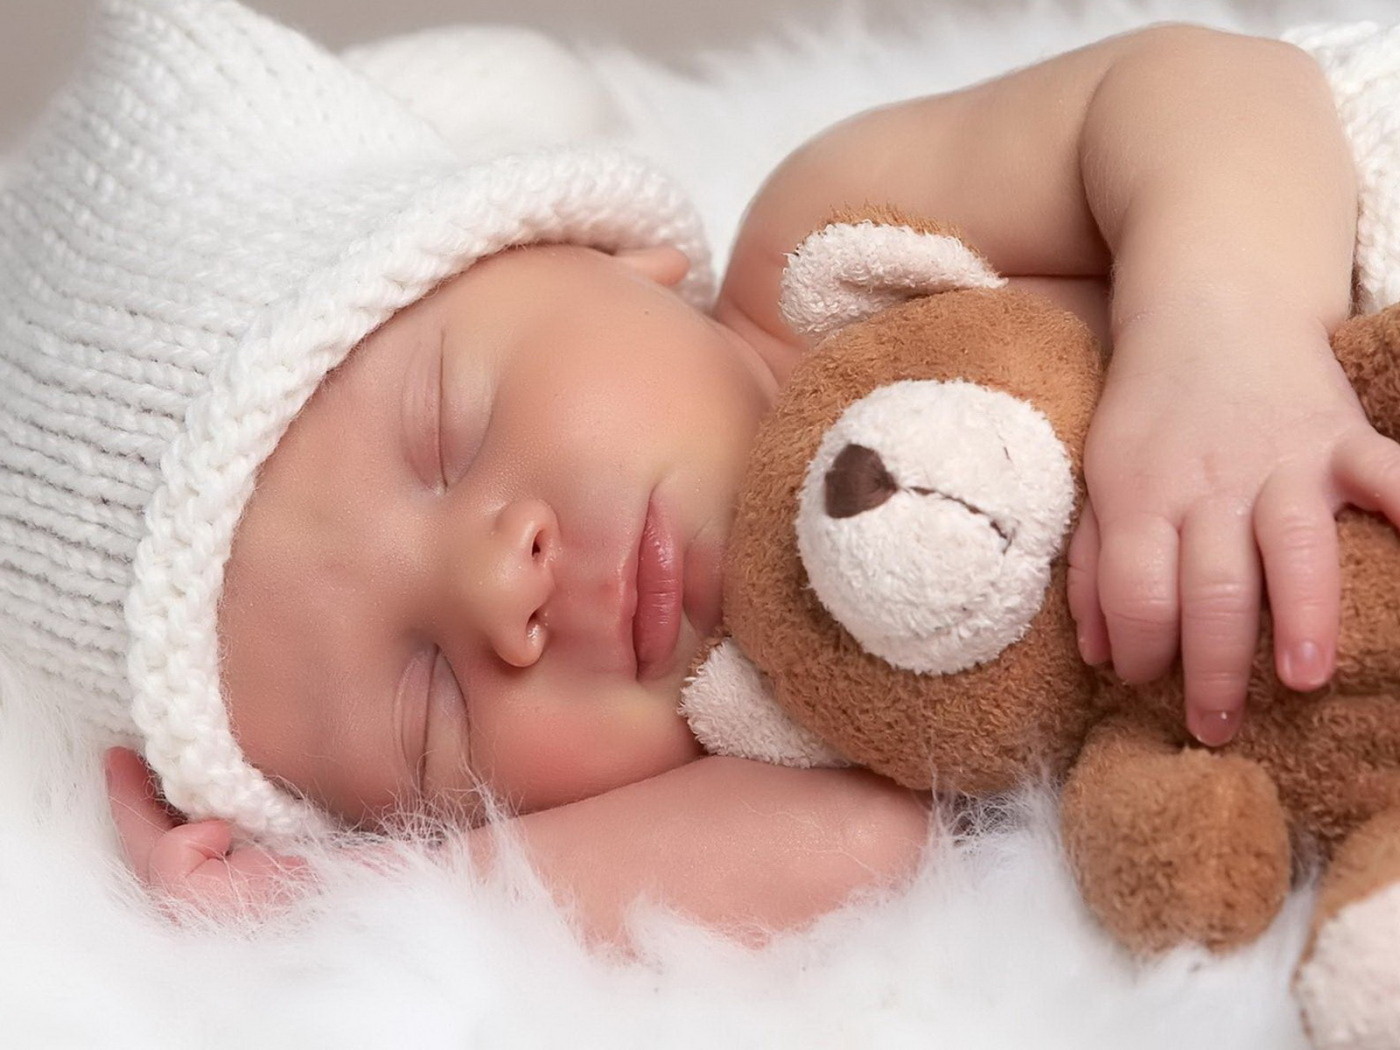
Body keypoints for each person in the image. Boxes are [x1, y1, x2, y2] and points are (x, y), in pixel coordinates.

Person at [5, 0, 1399, 945]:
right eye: (428, 693)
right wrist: (338, 901)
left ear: (604, 250)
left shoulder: (823, 254)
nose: (505, 582)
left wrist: (1223, 330)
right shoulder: (784, 727)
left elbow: (1210, 87)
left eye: (447, 433)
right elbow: (860, 849)